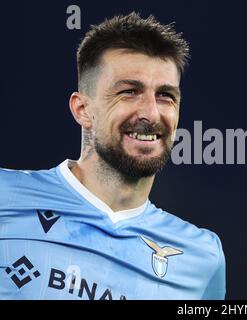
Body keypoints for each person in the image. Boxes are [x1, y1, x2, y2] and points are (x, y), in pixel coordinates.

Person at [0, 12, 226, 300]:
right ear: (82, 110)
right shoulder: (6, 198)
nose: (151, 113)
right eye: (129, 92)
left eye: (166, 96)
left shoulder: (202, 257)